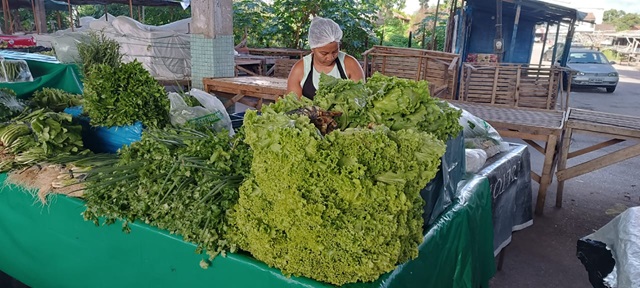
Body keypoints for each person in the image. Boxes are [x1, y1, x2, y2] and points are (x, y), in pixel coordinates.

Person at [286, 17, 365, 100]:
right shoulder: (300, 69)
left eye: (335, 51)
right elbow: (293, 105)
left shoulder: (350, 64)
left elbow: (360, 98)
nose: (330, 58)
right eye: (324, 53)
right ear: (313, 48)